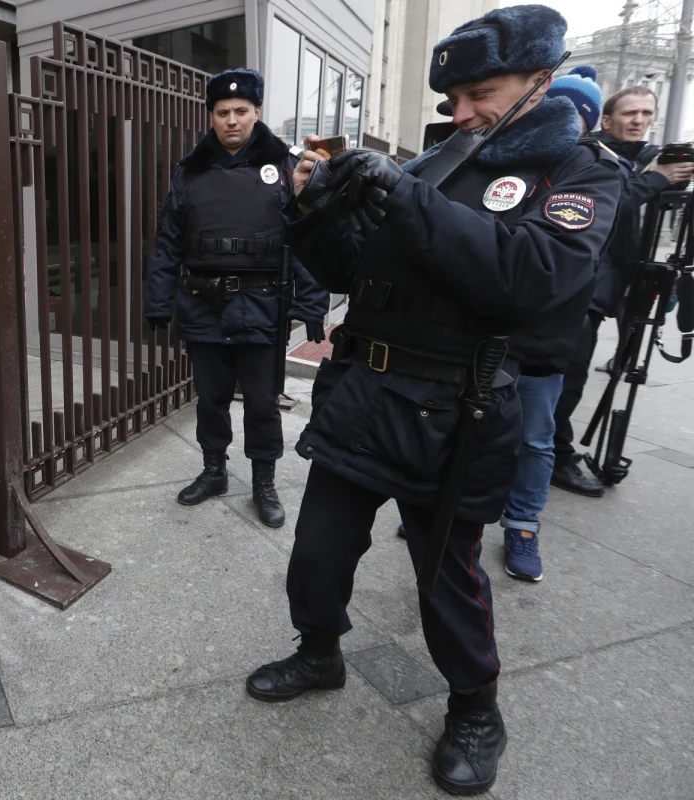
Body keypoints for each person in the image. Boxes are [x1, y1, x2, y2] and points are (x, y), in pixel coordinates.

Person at [244, 6, 621, 795]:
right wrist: (315, 212)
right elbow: (356, 269)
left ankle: (476, 709)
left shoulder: (580, 173)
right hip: (366, 393)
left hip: (460, 410)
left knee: (445, 575)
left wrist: (406, 198)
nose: (462, 113)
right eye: (452, 99)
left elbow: (530, 280)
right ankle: (320, 650)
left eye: (479, 92)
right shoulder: (439, 163)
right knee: (317, 554)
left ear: (539, 82)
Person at [143, 68, 329, 528]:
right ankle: (214, 471)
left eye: (241, 111)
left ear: (257, 112)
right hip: (202, 303)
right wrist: (156, 301)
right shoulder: (190, 172)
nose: (231, 120)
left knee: (263, 402)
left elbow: (306, 238)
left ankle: (263, 482)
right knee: (211, 398)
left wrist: (312, 307)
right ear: (211, 116)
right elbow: (168, 241)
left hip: (263, 305)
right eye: (222, 112)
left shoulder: (286, 168)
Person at [551, 85, 694, 497]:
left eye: (646, 114)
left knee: (569, 378)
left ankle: (553, 448)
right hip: (578, 288)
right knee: (566, 378)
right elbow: (606, 204)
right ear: (607, 120)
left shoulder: (640, 160)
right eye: (629, 113)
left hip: (608, 286)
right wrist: (656, 180)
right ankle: (552, 455)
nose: (638, 121)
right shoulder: (592, 153)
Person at [497, 65, 607, 582]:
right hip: (489, 333)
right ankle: (444, 509)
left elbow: (569, 259)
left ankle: (521, 525)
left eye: (576, 114)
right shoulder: (513, 164)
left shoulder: (593, 173)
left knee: (536, 439)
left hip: (546, 339)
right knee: (464, 431)